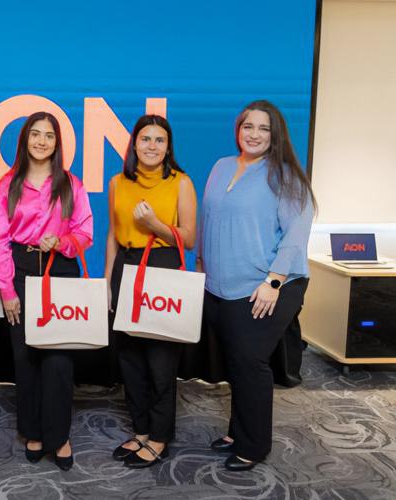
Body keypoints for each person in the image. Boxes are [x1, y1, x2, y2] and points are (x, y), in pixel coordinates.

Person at [200, 100, 315, 471]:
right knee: (235, 361)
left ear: (275, 134)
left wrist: (274, 281)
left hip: (266, 286)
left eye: (264, 129)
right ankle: (238, 431)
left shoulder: (284, 175)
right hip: (221, 285)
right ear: (239, 130)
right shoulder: (220, 167)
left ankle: (254, 445)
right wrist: (202, 263)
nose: (254, 134)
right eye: (248, 126)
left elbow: (297, 233)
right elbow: (209, 219)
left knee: (250, 362)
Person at [0, 112, 94, 471]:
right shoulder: (7, 184)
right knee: (26, 357)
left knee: (60, 360)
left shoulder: (71, 184)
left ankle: (59, 435)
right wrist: (7, 290)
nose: (41, 141)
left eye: (48, 135)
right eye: (35, 134)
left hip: (59, 270)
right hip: (19, 272)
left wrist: (63, 241)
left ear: (57, 142)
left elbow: (85, 233)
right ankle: (32, 430)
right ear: (25, 140)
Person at [104, 115, 197, 468]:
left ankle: (159, 437)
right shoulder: (118, 182)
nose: (152, 146)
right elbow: (114, 234)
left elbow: (188, 239)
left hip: (162, 266)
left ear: (168, 147)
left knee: (160, 360)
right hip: (126, 268)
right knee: (130, 359)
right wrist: (107, 281)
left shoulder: (181, 183)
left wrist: (154, 225)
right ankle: (140, 430)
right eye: (145, 139)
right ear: (134, 144)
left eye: (159, 140)